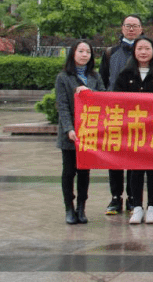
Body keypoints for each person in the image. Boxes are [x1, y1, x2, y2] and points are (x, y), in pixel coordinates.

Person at [113, 35, 153, 224]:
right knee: (135, 169)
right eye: (140, 48)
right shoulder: (125, 75)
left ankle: (152, 207)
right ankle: (137, 206)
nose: (143, 52)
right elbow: (117, 101)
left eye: (147, 48)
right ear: (134, 51)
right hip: (133, 129)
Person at [56, 40, 104, 224]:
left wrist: (88, 93)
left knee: (84, 171)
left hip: (88, 132)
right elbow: (62, 106)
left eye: (88, 52)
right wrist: (69, 129)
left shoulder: (95, 76)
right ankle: (69, 208)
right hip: (70, 134)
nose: (84, 55)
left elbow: (103, 98)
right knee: (69, 171)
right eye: (81, 51)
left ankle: (81, 208)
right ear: (73, 53)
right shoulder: (63, 77)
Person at [99, 14, 143, 215]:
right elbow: (102, 81)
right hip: (114, 111)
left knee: (136, 154)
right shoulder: (110, 53)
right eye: (128, 25)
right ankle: (116, 197)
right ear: (122, 28)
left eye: (135, 26)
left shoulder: (146, 52)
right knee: (115, 154)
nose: (131, 29)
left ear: (141, 29)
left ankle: (134, 197)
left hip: (139, 113)